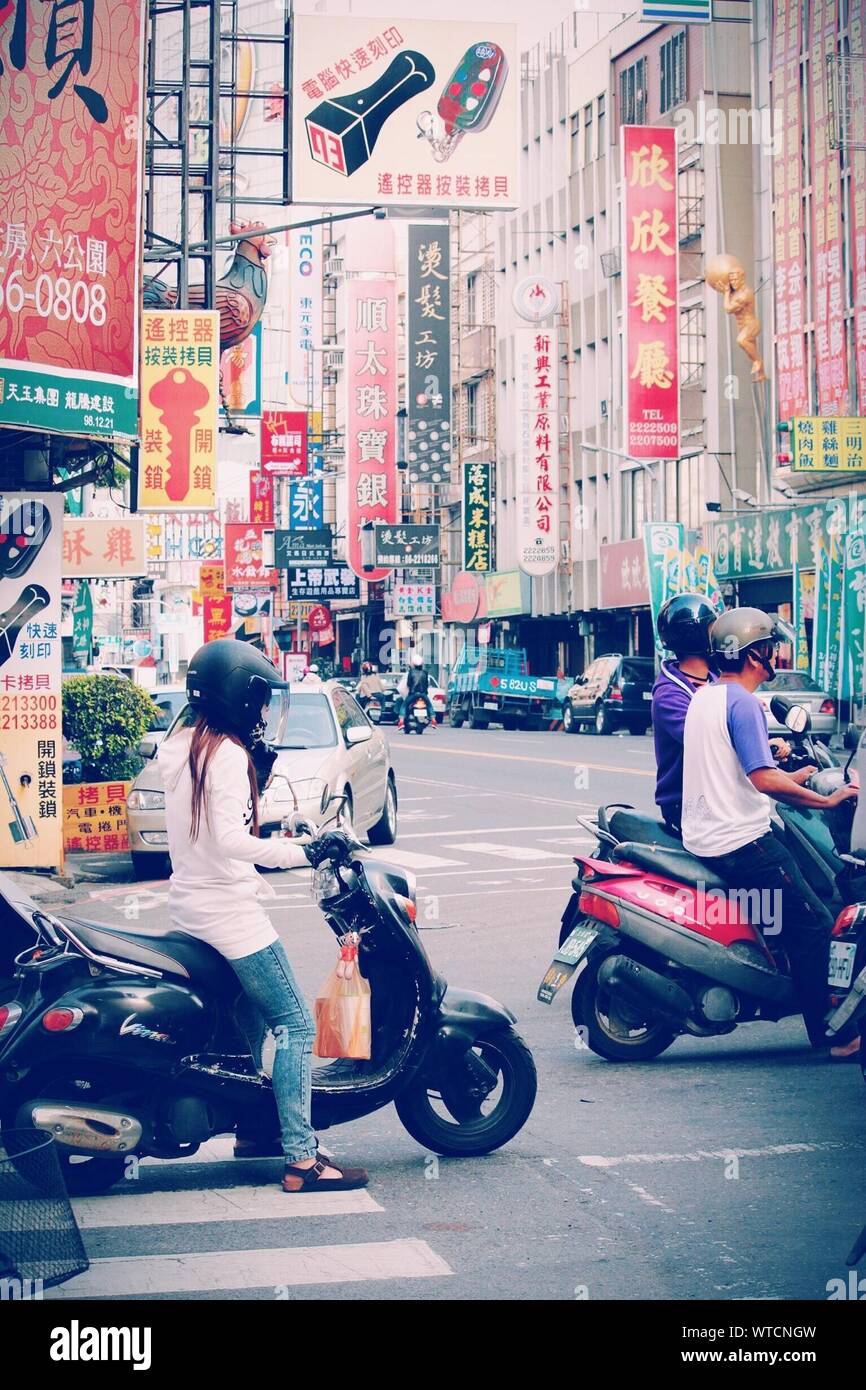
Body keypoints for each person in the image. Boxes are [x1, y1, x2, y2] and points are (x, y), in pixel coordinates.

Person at [158, 639, 370, 1191]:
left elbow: (208, 824)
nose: (261, 714)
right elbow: (230, 839)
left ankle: (256, 1128)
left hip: (190, 910)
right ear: (238, 698)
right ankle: (302, 1158)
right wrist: (306, 853)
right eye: (257, 703)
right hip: (230, 915)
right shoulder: (223, 755)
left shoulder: (178, 747)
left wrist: (259, 776)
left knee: (249, 1023)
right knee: (296, 1027)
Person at [681, 608, 859, 1056]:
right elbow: (761, 779)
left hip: (707, 833)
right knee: (814, 921)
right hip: (740, 841)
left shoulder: (706, 696)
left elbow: (739, 773)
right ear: (753, 653)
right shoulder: (742, 704)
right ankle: (832, 1035)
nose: (774, 654)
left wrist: (795, 776)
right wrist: (826, 799)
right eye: (770, 647)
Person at [652, 593, 791, 835]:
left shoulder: (715, 679)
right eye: (713, 628)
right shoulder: (669, 694)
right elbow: (709, 737)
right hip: (688, 805)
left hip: (724, 797)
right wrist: (763, 746)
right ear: (697, 636)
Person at [397, 651, 436, 729]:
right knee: (429, 706)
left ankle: (401, 722)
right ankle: (433, 720)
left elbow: (408, 684)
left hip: (413, 694)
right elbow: (426, 683)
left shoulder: (411, 672)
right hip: (423, 694)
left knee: (404, 706)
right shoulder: (425, 672)